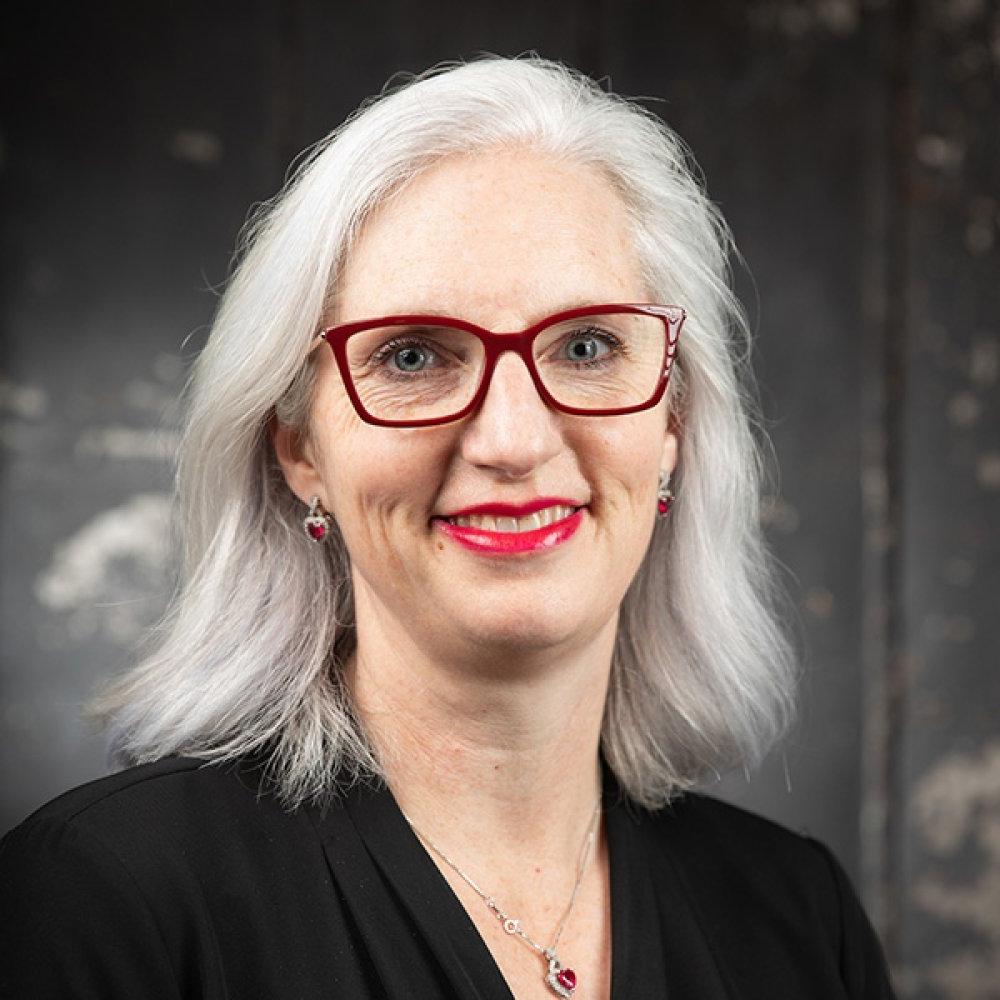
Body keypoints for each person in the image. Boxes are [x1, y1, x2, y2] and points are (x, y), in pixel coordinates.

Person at [0, 55, 895, 999]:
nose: (512, 441)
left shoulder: (802, 924)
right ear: (301, 450)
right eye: (415, 355)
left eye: (588, 346)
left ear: (671, 422)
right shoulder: (101, 902)